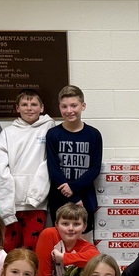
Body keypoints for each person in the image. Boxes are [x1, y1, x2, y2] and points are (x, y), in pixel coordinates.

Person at [0, 88, 55, 251]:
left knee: (32, 249)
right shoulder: (8, 133)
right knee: (9, 250)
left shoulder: (49, 129)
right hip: (11, 206)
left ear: (42, 108)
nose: (29, 108)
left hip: (36, 204)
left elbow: (48, 165)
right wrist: (5, 204)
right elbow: (0, 169)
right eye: (24, 104)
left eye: (34, 104)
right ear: (17, 108)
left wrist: (35, 196)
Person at [46, 85, 103, 232]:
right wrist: (71, 192)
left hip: (85, 199)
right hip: (59, 198)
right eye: (64, 106)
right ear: (59, 108)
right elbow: (53, 168)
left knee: (82, 244)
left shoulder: (94, 134)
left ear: (83, 106)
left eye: (74, 105)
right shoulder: (53, 134)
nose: (69, 110)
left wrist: (73, 187)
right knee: (61, 243)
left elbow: (95, 168)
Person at [34, 202, 100, 276]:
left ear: (84, 227)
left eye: (76, 224)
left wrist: (63, 258)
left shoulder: (86, 246)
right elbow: (43, 274)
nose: (70, 228)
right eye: (65, 224)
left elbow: (97, 258)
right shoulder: (49, 234)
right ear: (56, 225)